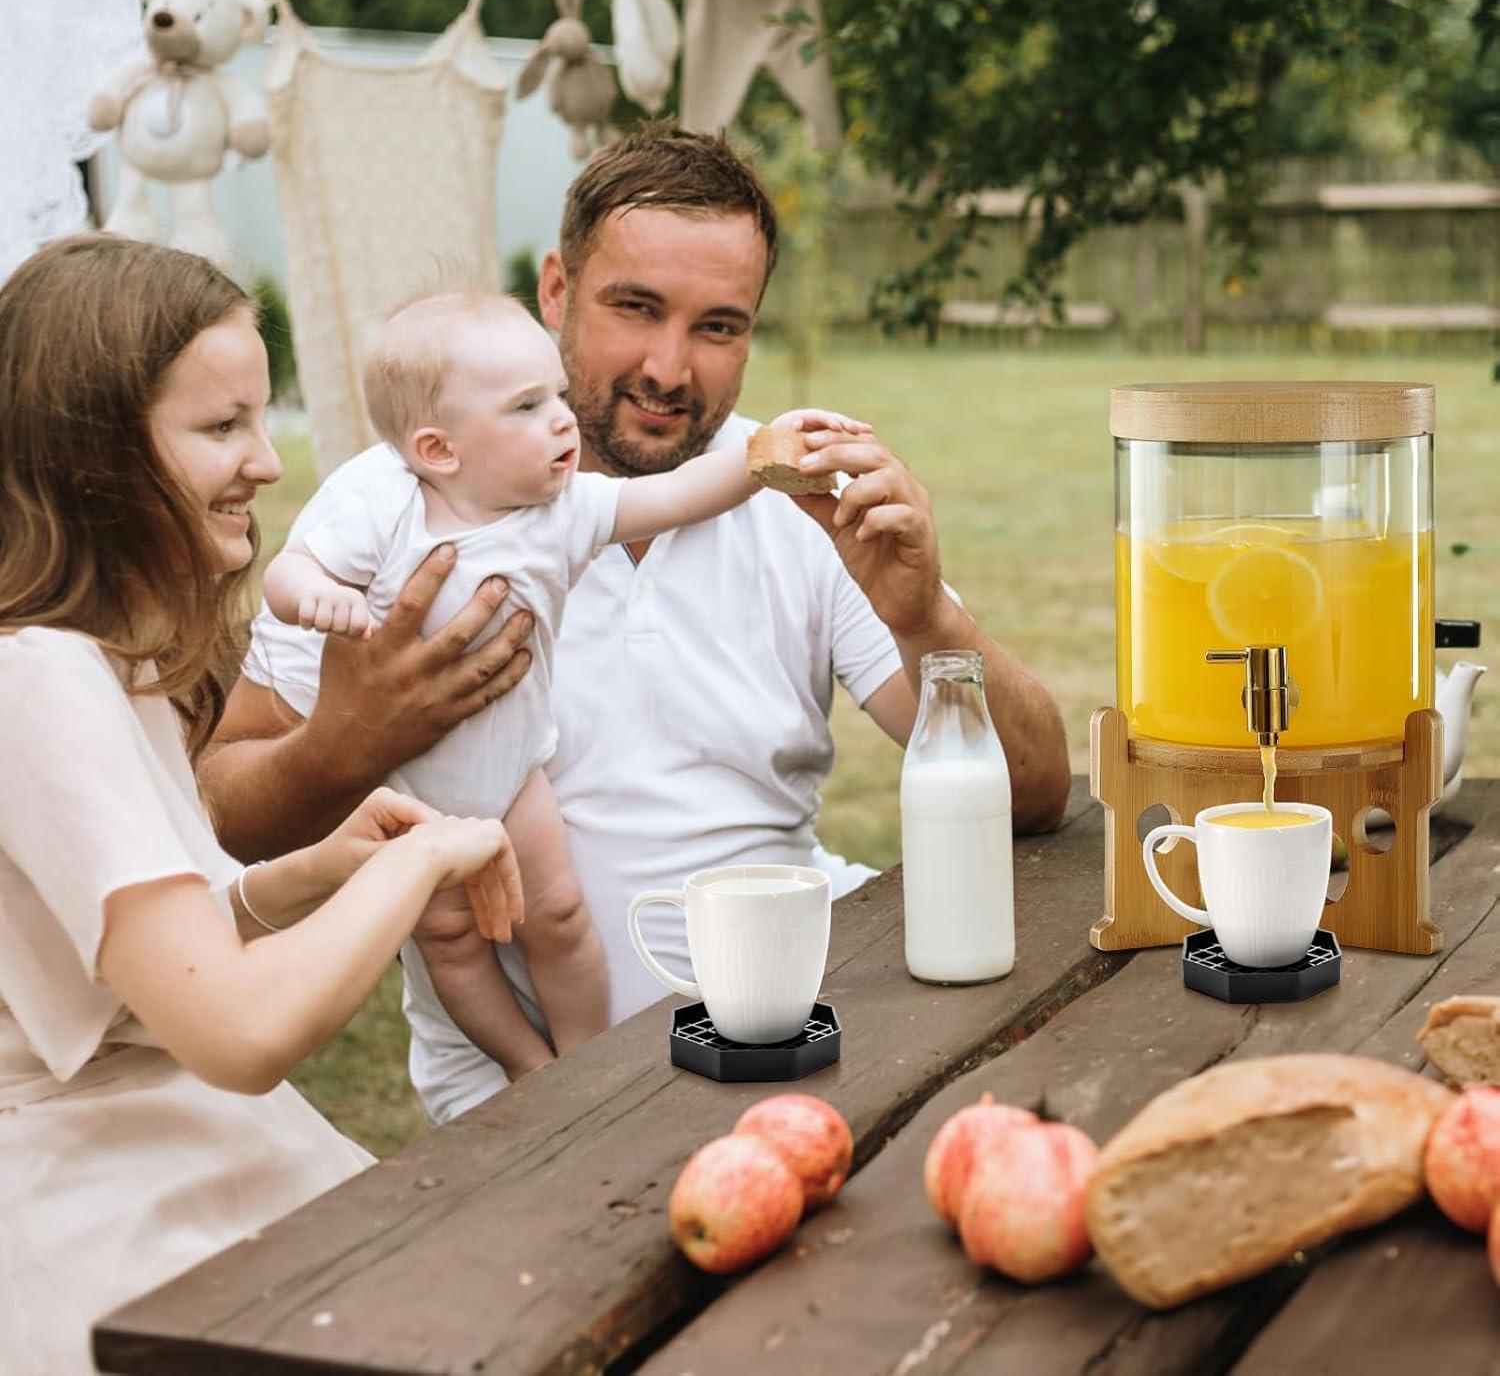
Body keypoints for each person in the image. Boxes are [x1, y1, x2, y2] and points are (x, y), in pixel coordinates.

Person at [202, 123, 1073, 1124]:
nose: (669, 367)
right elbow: (226, 816)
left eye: (718, 326)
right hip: (531, 1106)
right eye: (636, 308)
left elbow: (1036, 793)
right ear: (557, 292)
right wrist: (344, 746)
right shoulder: (400, 505)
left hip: (797, 1037)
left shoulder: (793, 492)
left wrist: (921, 616)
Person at [0, 234, 524, 1373]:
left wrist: (309, 873)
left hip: (177, 1147)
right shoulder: (34, 677)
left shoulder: (98, 661)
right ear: (94, 454)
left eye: (261, 416)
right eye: (222, 427)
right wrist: (416, 868)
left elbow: (132, 947)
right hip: (98, 1206)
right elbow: (234, 1031)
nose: (269, 464)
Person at [259, 288, 868, 1081]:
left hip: (514, 775)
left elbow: (677, 496)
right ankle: (526, 1068)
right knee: (449, 938)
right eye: (526, 406)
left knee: (557, 914)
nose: (560, 420)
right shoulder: (389, 509)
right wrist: (316, 593)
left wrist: (761, 460)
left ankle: (579, 1066)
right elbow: (288, 571)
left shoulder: (565, 510)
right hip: (409, 794)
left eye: (555, 394)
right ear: (440, 450)